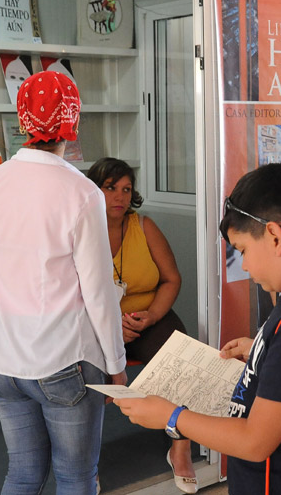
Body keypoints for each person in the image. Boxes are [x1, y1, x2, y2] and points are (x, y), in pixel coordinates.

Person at [114, 163, 281, 494]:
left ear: (275, 235)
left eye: (242, 250)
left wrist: (171, 416)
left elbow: (255, 442)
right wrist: (263, 349)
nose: (243, 264)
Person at [0, 70, 127, 495]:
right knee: (75, 476)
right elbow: (97, 290)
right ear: (72, 122)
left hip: (2, 361)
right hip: (65, 360)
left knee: (21, 474)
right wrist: (116, 366)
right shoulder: (81, 192)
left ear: (22, 119)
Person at [86, 157, 198, 494]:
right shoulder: (80, 228)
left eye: (126, 189)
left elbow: (171, 279)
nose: (119, 197)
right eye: (110, 188)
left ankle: (180, 448)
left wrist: (151, 315)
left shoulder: (143, 226)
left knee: (184, 357)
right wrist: (109, 329)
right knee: (82, 375)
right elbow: (70, 295)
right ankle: (84, 465)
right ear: (94, 189)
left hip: (147, 317)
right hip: (95, 326)